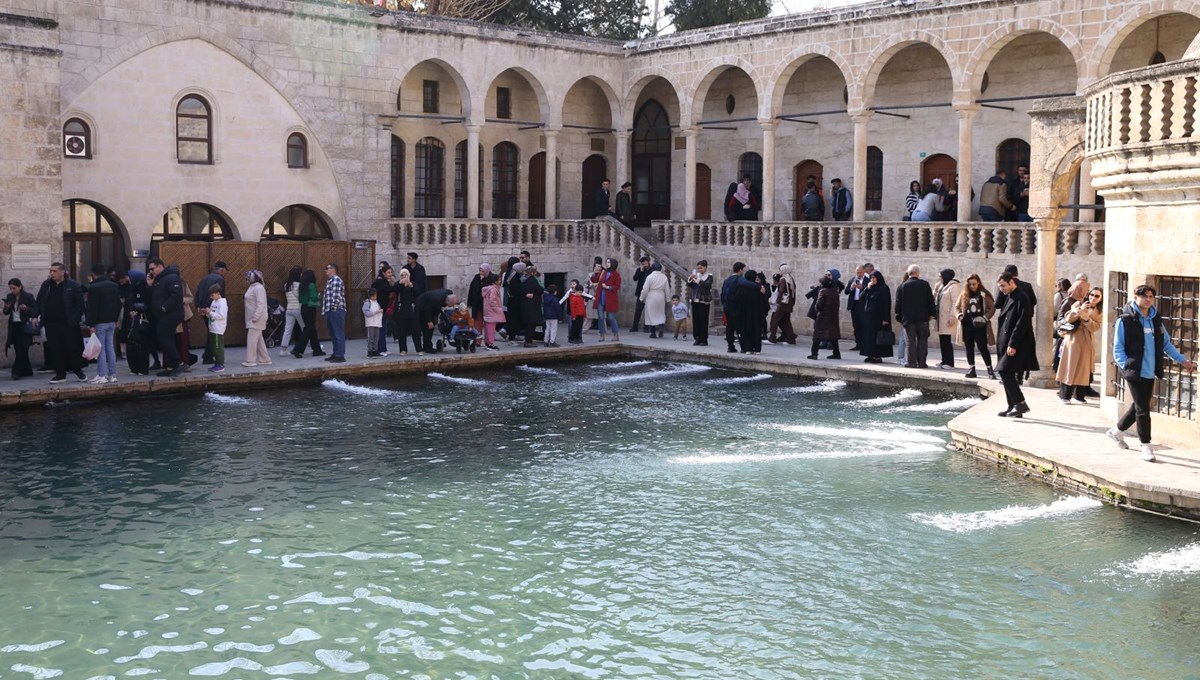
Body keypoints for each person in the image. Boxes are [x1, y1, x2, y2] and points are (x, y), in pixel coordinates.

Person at [1108, 284, 1196, 461]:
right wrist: (1126, 365)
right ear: (1135, 296)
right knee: (1143, 410)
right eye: (1144, 296)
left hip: (1150, 371)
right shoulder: (1125, 320)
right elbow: (1118, 348)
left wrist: (1182, 360)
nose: (1148, 299)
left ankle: (1115, 431)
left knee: (1139, 407)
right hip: (1134, 371)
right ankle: (1146, 446)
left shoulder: (1156, 320)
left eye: (1151, 296)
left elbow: (1166, 344)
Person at [35, 262, 87, 384]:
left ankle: (78, 371)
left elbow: (80, 305)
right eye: (51, 271)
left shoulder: (73, 285)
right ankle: (60, 374)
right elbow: (39, 301)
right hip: (51, 323)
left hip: (68, 323)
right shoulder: (46, 285)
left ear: (62, 272)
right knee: (55, 348)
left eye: (55, 271)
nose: (52, 273)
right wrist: (35, 316)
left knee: (72, 348)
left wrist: (75, 319)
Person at [995, 272, 1038, 418]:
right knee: (1006, 372)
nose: (1001, 289)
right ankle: (1012, 405)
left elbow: (1022, 322)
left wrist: (1013, 343)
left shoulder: (1021, 296)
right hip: (1006, 341)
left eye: (1003, 285)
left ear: (1011, 282)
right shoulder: (1009, 296)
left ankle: (1020, 403)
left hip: (1017, 343)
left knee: (1004, 371)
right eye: (1000, 286)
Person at [1057, 286, 1103, 404]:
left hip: (1087, 340)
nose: (1093, 297)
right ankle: (1065, 396)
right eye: (1092, 294)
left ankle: (1079, 395)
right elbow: (1068, 318)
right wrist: (1079, 311)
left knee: (1083, 368)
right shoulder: (1078, 304)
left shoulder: (1100, 312)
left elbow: (1096, 327)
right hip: (1073, 338)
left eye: (1097, 296)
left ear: (1101, 298)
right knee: (1069, 366)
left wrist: (1086, 318)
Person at [146, 258, 185, 378]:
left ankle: (177, 363)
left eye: (152, 269)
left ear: (160, 266)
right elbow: (155, 295)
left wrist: (164, 307)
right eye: (149, 269)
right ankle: (171, 366)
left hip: (171, 314)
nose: (151, 271)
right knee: (165, 338)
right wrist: (150, 285)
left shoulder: (171, 277)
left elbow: (176, 295)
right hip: (163, 314)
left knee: (164, 337)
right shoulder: (159, 279)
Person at [85, 262, 122, 384]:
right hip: (111, 321)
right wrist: (116, 319)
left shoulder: (94, 288)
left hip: (100, 322)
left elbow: (92, 308)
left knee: (101, 349)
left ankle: (101, 375)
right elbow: (118, 303)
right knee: (110, 347)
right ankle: (113, 375)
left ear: (93, 274)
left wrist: (91, 324)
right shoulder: (114, 285)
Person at [894, 264, 937, 368]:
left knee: (911, 341)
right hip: (923, 318)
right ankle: (922, 362)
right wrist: (932, 314)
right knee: (923, 340)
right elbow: (930, 301)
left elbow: (898, 304)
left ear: (909, 273)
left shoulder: (902, 286)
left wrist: (899, 317)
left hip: (908, 319)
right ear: (918, 273)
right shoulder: (925, 285)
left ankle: (912, 362)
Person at [954, 274, 996, 379]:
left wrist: (985, 318)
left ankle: (990, 369)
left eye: (974, 284)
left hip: (980, 325)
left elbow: (992, 307)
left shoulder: (984, 294)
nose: (972, 286)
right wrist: (959, 316)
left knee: (982, 347)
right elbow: (957, 307)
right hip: (967, 324)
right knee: (969, 347)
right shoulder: (964, 294)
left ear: (978, 283)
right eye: (970, 284)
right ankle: (971, 368)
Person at [4, 278, 37, 380]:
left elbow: (35, 311)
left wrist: (26, 308)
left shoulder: (28, 296)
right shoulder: (10, 297)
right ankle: (27, 371)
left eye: (14, 288)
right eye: (10, 288)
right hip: (14, 326)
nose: (12, 290)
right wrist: (6, 307)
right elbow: (6, 312)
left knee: (23, 349)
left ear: (20, 287)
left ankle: (16, 371)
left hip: (25, 326)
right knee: (19, 349)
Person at [195, 261, 227, 364]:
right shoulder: (220, 279)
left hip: (204, 309)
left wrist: (199, 306)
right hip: (212, 310)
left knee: (211, 331)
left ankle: (207, 355)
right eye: (225, 271)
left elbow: (198, 292)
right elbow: (219, 295)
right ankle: (210, 357)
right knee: (214, 333)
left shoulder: (205, 278)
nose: (225, 273)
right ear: (222, 270)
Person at [859, 270, 893, 364]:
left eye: (874, 278)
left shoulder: (883, 288)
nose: (872, 280)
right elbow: (861, 297)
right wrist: (867, 288)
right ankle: (869, 354)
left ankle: (877, 356)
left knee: (877, 337)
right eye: (871, 278)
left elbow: (887, 304)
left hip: (878, 317)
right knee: (868, 336)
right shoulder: (870, 288)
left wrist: (885, 319)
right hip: (869, 318)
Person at [808, 269, 842, 360]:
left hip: (822, 318)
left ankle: (814, 354)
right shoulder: (835, 291)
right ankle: (836, 353)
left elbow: (818, 305)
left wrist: (816, 308)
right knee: (833, 336)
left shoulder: (823, 291)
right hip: (833, 317)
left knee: (817, 336)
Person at [291, 269, 324, 358]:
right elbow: (314, 297)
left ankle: (317, 350)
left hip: (303, 308)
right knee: (308, 329)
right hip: (310, 309)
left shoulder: (301, 286)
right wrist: (318, 296)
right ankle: (297, 349)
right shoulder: (311, 285)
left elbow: (300, 299)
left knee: (311, 329)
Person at [242, 269, 271, 368]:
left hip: (257, 317)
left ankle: (251, 360)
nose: (246, 279)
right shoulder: (252, 287)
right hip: (253, 317)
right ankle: (265, 359)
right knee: (258, 339)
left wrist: (256, 316)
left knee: (252, 339)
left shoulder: (258, 288)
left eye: (248, 277)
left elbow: (261, 303)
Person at [933, 268, 960, 369]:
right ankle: (944, 360)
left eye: (941, 276)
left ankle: (949, 362)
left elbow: (955, 303)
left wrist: (952, 317)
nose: (939, 278)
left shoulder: (953, 287)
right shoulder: (942, 286)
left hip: (948, 318)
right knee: (943, 340)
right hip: (942, 318)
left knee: (946, 341)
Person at [416, 288, 457, 353]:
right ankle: (427, 347)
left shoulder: (449, 292)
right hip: (421, 306)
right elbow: (427, 309)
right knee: (428, 327)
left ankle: (427, 345)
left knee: (431, 326)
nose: (453, 306)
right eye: (452, 304)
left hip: (430, 305)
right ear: (448, 301)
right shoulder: (436, 299)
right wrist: (429, 321)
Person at [591, 258, 621, 342]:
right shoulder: (603, 272)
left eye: (608, 262)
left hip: (610, 299)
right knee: (600, 317)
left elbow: (617, 286)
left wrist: (608, 287)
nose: (607, 264)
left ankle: (615, 334)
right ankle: (602, 334)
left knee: (611, 317)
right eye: (606, 262)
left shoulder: (616, 274)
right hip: (600, 297)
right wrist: (595, 272)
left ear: (613, 264)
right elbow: (594, 280)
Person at [322, 263, 347, 363]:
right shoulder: (330, 281)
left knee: (338, 333)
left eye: (327, 268)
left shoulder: (336, 280)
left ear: (333, 270)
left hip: (336, 310)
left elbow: (336, 296)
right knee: (333, 333)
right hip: (330, 310)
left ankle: (340, 355)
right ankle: (336, 352)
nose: (325, 271)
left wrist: (334, 308)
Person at [393, 268, 422, 354]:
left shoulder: (413, 284)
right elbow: (394, 289)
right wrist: (400, 283)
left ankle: (419, 349)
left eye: (405, 275)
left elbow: (418, 292)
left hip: (412, 311)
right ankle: (403, 349)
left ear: (408, 276)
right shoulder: (398, 284)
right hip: (401, 311)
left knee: (416, 332)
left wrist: (410, 285)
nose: (404, 276)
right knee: (401, 332)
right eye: (402, 275)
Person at [722, 261, 748, 352]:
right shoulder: (739, 279)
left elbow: (723, 294)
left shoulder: (727, 280)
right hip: (737, 308)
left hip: (727, 307)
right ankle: (743, 348)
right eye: (743, 270)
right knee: (740, 328)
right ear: (740, 270)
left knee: (729, 328)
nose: (743, 272)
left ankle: (730, 346)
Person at [370, 263, 396, 356]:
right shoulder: (381, 282)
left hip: (383, 309)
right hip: (379, 309)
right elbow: (388, 290)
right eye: (388, 272)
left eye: (391, 272)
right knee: (381, 330)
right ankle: (380, 349)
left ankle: (384, 348)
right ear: (384, 273)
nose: (390, 274)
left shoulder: (384, 281)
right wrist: (393, 283)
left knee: (383, 329)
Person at [686, 260, 713, 346]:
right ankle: (697, 338)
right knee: (696, 321)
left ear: (705, 267)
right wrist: (690, 279)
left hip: (704, 301)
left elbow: (707, 286)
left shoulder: (709, 276)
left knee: (703, 321)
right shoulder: (696, 275)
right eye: (698, 268)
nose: (699, 270)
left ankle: (704, 339)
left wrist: (698, 280)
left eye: (701, 268)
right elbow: (689, 285)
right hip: (695, 301)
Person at [281, 265, 307, 357]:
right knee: (305, 328)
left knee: (287, 330)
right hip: (298, 309)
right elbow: (301, 298)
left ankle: (283, 350)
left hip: (289, 309)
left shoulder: (286, 285)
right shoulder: (299, 285)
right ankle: (313, 346)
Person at [768, 263, 797, 344]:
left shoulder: (783, 280)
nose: (780, 271)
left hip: (782, 304)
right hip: (789, 304)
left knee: (775, 320)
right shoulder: (791, 279)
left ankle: (772, 338)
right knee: (787, 322)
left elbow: (781, 291)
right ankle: (791, 339)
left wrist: (778, 301)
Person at [639, 262, 669, 339]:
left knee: (651, 314)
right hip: (661, 295)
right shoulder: (664, 277)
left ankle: (653, 333)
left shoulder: (650, 277)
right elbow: (667, 289)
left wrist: (642, 297)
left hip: (651, 296)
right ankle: (661, 326)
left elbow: (645, 289)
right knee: (660, 312)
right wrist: (667, 298)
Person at [204, 285, 227, 372]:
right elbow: (212, 313)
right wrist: (206, 313)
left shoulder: (222, 303)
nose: (211, 297)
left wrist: (210, 313)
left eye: (212, 295)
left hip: (218, 329)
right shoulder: (214, 302)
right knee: (213, 347)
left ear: (218, 293)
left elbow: (221, 316)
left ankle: (220, 364)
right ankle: (216, 363)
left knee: (218, 347)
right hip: (212, 327)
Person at [845, 264, 869, 351]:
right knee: (856, 326)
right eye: (857, 272)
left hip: (863, 305)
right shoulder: (852, 280)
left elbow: (869, 292)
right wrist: (851, 288)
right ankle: (858, 344)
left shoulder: (868, 280)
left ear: (864, 272)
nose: (859, 274)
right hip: (854, 305)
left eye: (860, 272)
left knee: (863, 325)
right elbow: (846, 291)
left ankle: (864, 344)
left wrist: (862, 288)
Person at [466, 263, 490, 347]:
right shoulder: (476, 277)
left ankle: (488, 341)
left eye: (483, 271)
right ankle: (477, 341)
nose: (481, 272)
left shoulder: (491, 277)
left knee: (488, 324)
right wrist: (469, 302)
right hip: (477, 304)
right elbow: (472, 289)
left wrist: (483, 281)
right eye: (480, 270)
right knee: (477, 322)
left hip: (487, 304)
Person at [519, 266, 544, 348]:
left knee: (528, 324)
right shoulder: (532, 280)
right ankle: (528, 341)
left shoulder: (523, 280)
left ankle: (528, 339)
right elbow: (540, 289)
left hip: (525, 304)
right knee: (531, 323)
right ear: (533, 272)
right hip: (532, 305)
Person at [481, 273, 505, 351]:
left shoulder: (488, 289)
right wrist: (497, 309)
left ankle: (488, 343)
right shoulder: (493, 290)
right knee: (491, 329)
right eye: (499, 280)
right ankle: (490, 344)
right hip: (492, 312)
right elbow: (492, 301)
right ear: (495, 281)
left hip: (488, 312)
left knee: (488, 328)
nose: (500, 281)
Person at [630, 256, 651, 333]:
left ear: (648, 262)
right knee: (638, 310)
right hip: (640, 293)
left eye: (646, 263)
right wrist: (641, 271)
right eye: (643, 264)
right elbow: (635, 278)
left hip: (649, 293)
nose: (645, 265)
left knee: (648, 311)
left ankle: (646, 327)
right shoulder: (639, 270)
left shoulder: (652, 270)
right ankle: (635, 326)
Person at [564, 280, 587, 345]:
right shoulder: (573, 298)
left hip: (581, 315)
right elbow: (572, 309)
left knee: (579, 327)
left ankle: (577, 338)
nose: (580, 294)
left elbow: (583, 307)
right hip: (576, 315)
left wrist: (585, 315)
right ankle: (572, 338)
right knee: (574, 327)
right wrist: (573, 316)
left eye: (581, 292)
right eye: (579, 292)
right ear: (576, 291)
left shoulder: (581, 298)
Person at [363, 287, 384, 358]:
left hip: (377, 323)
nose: (375, 297)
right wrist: (375, 312)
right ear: (370, 296)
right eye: (373, 296)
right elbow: (366, 313)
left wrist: (380, 311)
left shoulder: (376, 303)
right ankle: (370, 351)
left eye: (375, 296)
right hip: (370, 323)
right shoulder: (367, 303)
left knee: (376, 337)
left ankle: (375, 350)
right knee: (371, 337)